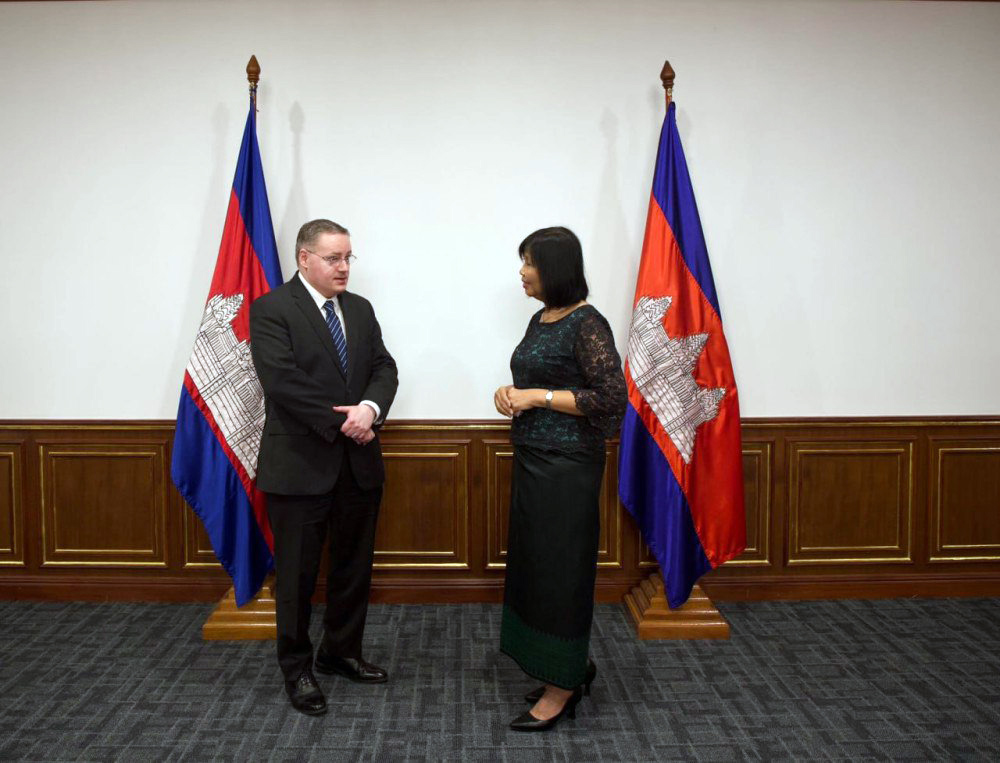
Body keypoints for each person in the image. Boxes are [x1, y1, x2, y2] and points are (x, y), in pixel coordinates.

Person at [250, 219, 398, 716]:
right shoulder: (272, 309)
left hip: (358, 466)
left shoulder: (359, 309)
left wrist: (370, 410)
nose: (343, 267)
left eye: (348, 257)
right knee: (296, 577)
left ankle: (341, 652)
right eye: (333, 258)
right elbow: (282, 382)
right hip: (299, 466)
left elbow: (383, 367)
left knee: (353, 568)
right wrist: (347, 423)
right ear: (304, 258)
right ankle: (297, 668)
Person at [493, 226, 627, 731]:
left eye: (529, 262)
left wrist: (539, 397)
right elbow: (540, 382)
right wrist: (510, 394)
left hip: (568, 469)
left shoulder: (588, 323)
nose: (522, 271)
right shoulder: (541, 318)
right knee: (535, 569)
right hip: (532, 459)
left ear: (555, 268)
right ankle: (565, 666)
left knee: (561, 573)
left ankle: (562, 688)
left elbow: (611, 398)